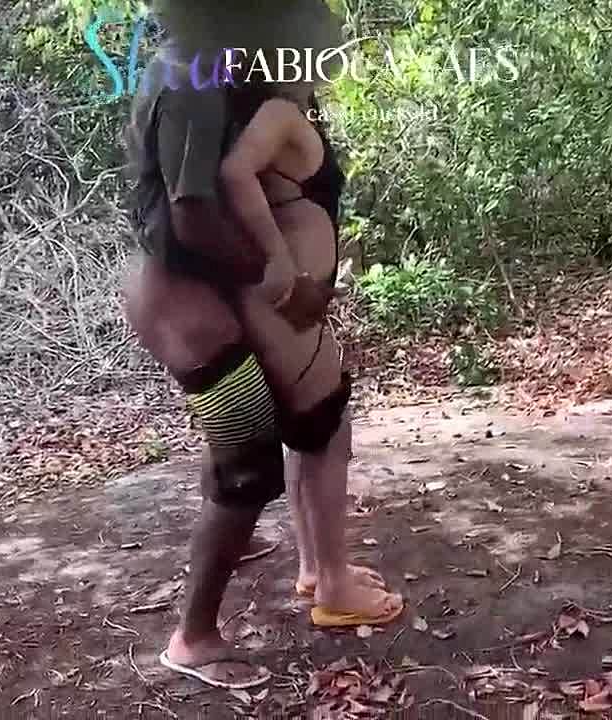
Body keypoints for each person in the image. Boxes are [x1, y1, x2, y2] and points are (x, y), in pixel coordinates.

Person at [120, 1, 401, 690]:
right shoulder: (190, 75)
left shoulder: (215, 68)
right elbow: (192, 216)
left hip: (199, 297)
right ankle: (193, 637)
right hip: (186, 305)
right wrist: (280, 280)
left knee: (279, 435)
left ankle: (303, 568)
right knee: (247, 462)